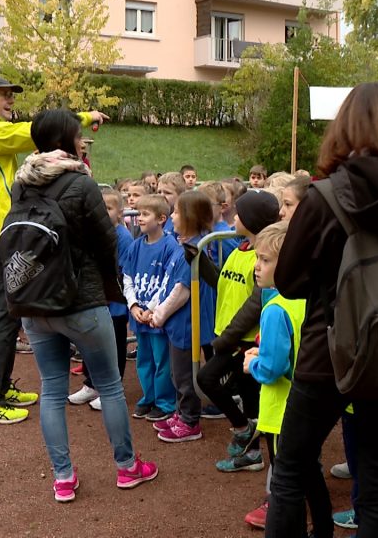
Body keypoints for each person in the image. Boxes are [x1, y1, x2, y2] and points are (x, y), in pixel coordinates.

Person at [268, 81, 378, 538]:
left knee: (291, 467)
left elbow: (287, 279)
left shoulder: (323, 198)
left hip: (326, 351)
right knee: (377, 482)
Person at [15, 109, 157, 502]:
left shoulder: (22, 183)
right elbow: (106, 241)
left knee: (52, 388)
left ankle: (63, 476)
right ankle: (127, 467)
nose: (82, 141)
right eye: (78, 135)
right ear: (67, 139)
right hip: (82, 298)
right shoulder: (81, 183)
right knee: (110, 384)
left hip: (35, 301)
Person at [0, 74, 106, 426]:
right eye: (3, 96)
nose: (10, 102)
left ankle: (0, 388)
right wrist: (81, 118)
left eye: (12, 96)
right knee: (5, 318)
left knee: (7, 315)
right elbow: (33, 132)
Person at [240, 221, 324, 532]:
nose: (257, 267)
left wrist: (254, 365)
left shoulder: (276, 309)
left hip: (281, 409)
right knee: (310, 471)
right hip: (310, 402)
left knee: (287, 481)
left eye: (265, 260)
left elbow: (273, 367)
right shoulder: (311, 297)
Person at [203, 190, 281, 474]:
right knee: (250, 397)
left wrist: (227, 340)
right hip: (231, 335)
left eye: (239, 213)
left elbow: (253, 305)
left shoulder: (263, 257)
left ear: (252, 220)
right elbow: (222, 282)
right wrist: (199, 263)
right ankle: (253, 453)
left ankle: (243, 431)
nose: (234, 217)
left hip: (244, 339)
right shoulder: (240, 249)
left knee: (207, 378)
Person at [152, 190, 218, 443]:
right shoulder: (186, 244)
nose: (172, 216)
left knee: (183, 375)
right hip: (179, 322)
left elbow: (182, 292)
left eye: (177, 212)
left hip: (186, 322)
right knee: (177, 372)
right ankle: (182, 413)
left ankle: (190, 420)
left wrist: (159, 314)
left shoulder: (194, 247)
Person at [69, 187, 133, 408]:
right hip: (94, 299)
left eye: (109, 207)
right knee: (89, 343)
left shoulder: (123, 237)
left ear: (120, 212)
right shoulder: (91, 233)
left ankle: (112, 388)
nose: (103, 212)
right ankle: (92, 383)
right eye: (100, 207)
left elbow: (123, 269)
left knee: (114, 345)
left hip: (114, 302)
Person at [121, 194, 179, 422]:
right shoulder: (135, 247)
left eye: (145, 214)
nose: (139, 219)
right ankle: (149, 397)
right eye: (138, 214)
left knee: (161, 360)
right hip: (139, 316)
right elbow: (127, 277)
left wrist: (152, 308)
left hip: (157, 317)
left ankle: (165, 402)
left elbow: (169, 281)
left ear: (162, 218)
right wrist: (134, 305)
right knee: (144, 359)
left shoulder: (170, 246)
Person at [157, 172, 187, 236]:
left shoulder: (182, 222)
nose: (161, 196)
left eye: (167, 193)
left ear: (181, 195)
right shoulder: (154, 217)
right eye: (159, 192)